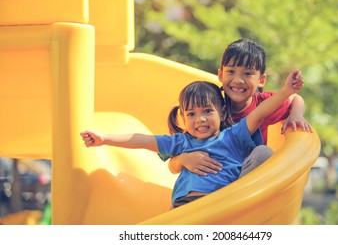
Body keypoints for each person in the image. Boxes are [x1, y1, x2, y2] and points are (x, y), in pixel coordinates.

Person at [80, 69, 304, 208]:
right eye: (191, 114)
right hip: (185, 207)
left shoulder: (233, 136)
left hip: (223, 203)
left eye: (207, 111)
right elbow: (142, 140)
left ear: (222, 113)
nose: (200, 120)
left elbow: (261, 111)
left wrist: (286, 91)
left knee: (264, 153)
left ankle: (250, 204)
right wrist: (104, 138)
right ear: (184, 117)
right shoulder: (181, 142)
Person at [168, 38, 313, 177]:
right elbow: (172, 165)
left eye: (248, 73)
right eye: (231, 71)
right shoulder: (210, 108)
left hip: (243, 184)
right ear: (220, 74)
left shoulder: (264, 104)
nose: (238, 80)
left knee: (263, 154)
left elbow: (295, 98)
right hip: (212, 181)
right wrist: (183, 160)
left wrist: (296, 115)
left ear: (261, 80)